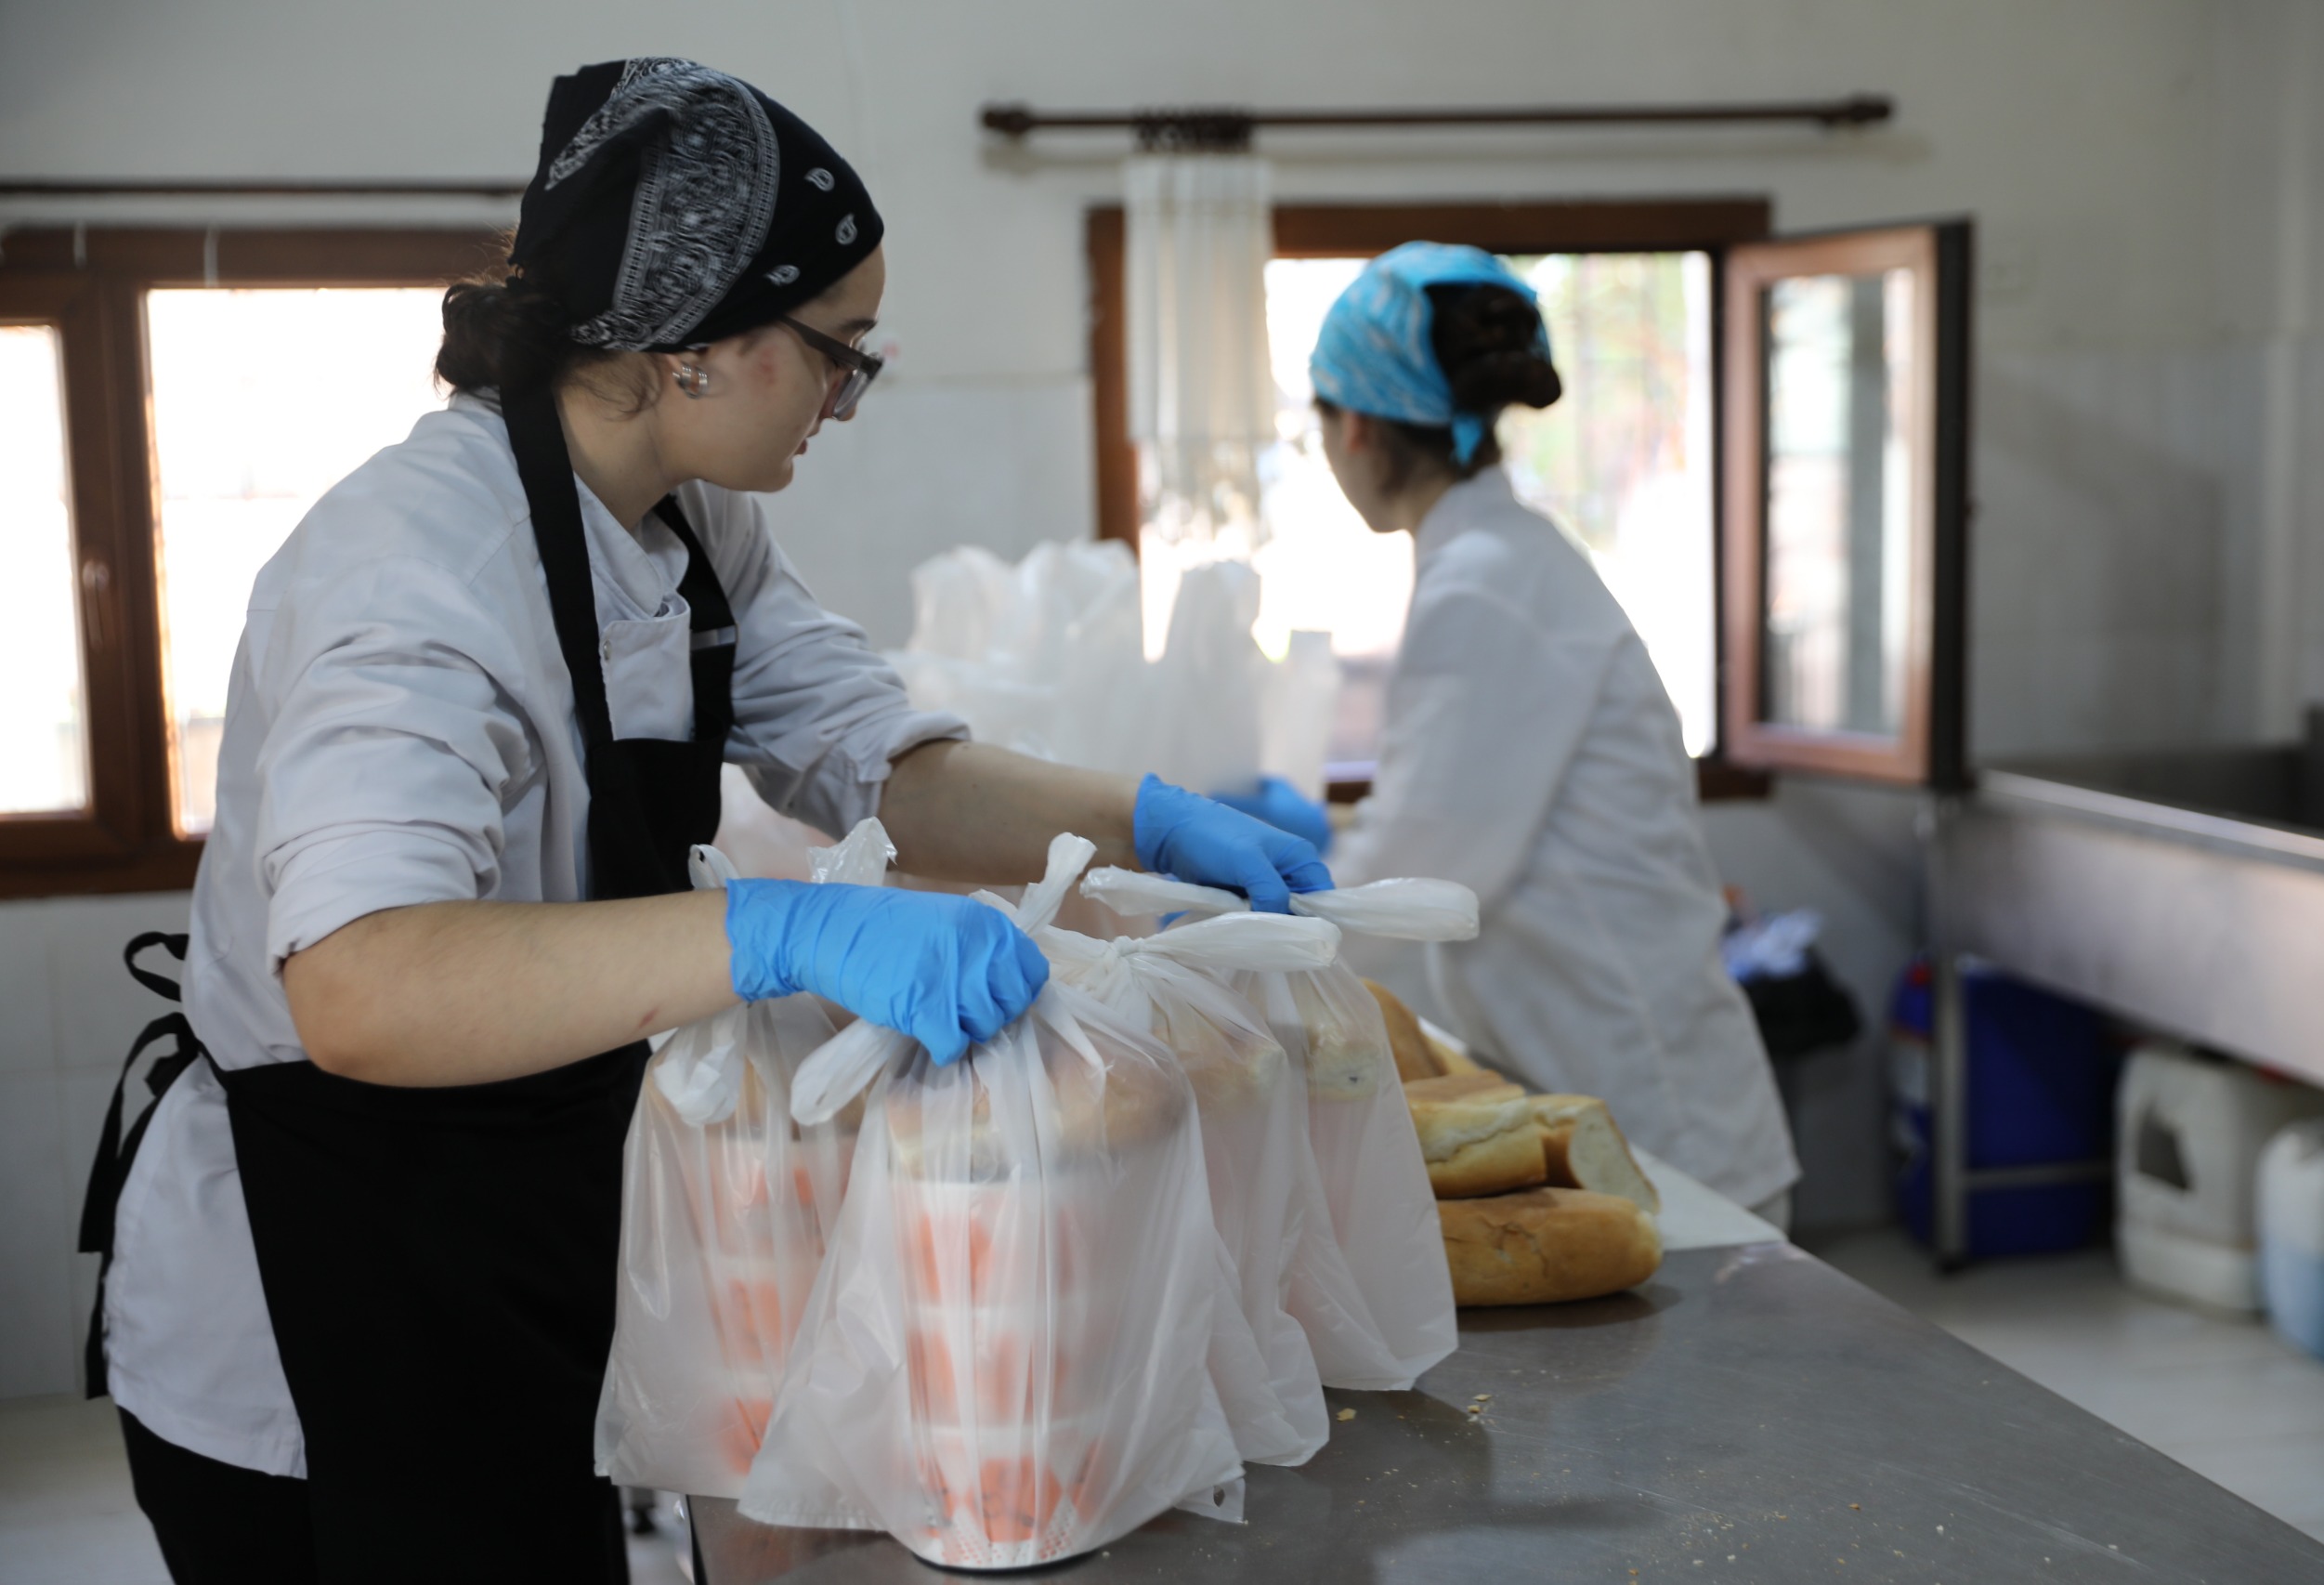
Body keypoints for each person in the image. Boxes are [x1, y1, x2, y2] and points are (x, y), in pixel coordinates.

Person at [81, 59, 1328, 1585]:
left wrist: (1139, 818)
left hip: (526, 1215)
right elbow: (364, 982)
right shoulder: (412, 570)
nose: (847, 398)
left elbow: (878, 763)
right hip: (322, 1289)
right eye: (836, 352)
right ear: (684, 351)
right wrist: (780, 924)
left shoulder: (686, 519)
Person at [1299, 242, 1797, 1222]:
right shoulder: (1494, 558)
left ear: (1352, 425)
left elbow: (1421, 875)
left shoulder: (1484, 581)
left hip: (1662, 1124)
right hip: (1619, 1093)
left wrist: (1233, 950)